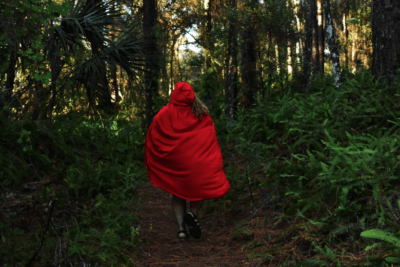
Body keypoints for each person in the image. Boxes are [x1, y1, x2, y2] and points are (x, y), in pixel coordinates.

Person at [144, 82, 230, 240]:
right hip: (198, 164)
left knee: (178, 194)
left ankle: (181, 230)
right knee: (202, 190)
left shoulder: (165, 113)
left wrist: (160, 157)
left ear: (174, 95)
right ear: (192, 96)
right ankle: (192, 213)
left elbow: (153, 134)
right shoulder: (201, 113)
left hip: (177, 164)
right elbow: (210, 140)